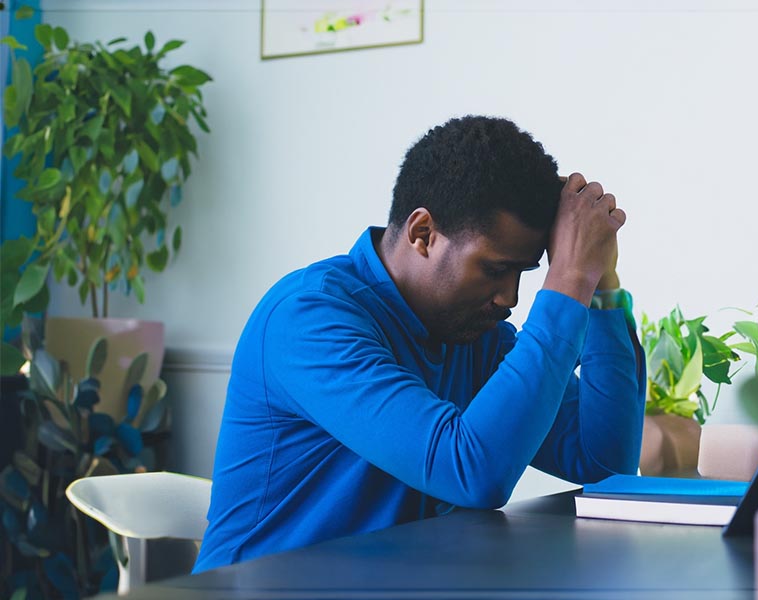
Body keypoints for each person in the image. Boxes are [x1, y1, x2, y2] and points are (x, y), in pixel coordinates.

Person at [194, 115, 645, 571]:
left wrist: (600, 286)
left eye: (523, 274)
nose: (509, 298)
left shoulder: (470, 334)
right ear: (422, 234)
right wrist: (567, 280)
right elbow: (469, 471)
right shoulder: (308, 320)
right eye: (493, 269)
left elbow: (603, 461)